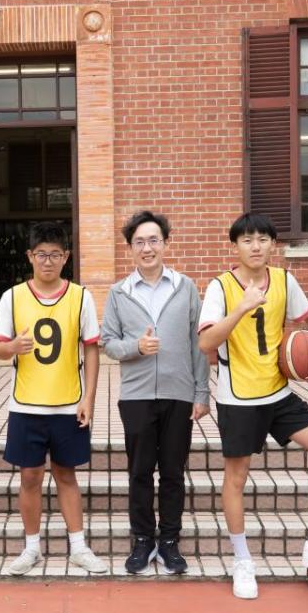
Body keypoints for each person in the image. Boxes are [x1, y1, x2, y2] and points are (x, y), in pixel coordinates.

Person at [197, 212, 308, 601]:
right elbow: (206, 343)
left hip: (278, 393)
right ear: (235, 246)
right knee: (236, 478)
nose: (255, 246)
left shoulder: (285, 281)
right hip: (238, 398)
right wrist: (241, 307)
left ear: (274, 244)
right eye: (247, 240)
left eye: (262, 239)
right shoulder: (221, 287)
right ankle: (242, 561)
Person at [0, 222, 107, 576]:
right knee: (29, 477)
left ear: (66, 257)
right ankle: (31, 548)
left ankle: (79, 547)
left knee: (66, 475)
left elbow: (91, 350)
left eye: (55, 254)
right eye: (41, 254)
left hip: (68, 403)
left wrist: (89, 399)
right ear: (29, 256)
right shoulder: (12, 297)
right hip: (26, 405)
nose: (48, 261)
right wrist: (13, 346)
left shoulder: (80, 296)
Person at [101, 210, 209, 575]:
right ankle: (143, 540)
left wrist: (201, 392)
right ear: (130, 248)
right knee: (140, 471)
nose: (147, 248)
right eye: (139, 242)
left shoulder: (185, 287)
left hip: (179, 393)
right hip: (136, 396)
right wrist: (136, 347)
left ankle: (170, 542)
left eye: (153, 240)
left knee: (173, 472)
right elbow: (108, 343)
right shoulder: (119, 292)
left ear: (165, 243)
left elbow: (198, 344)